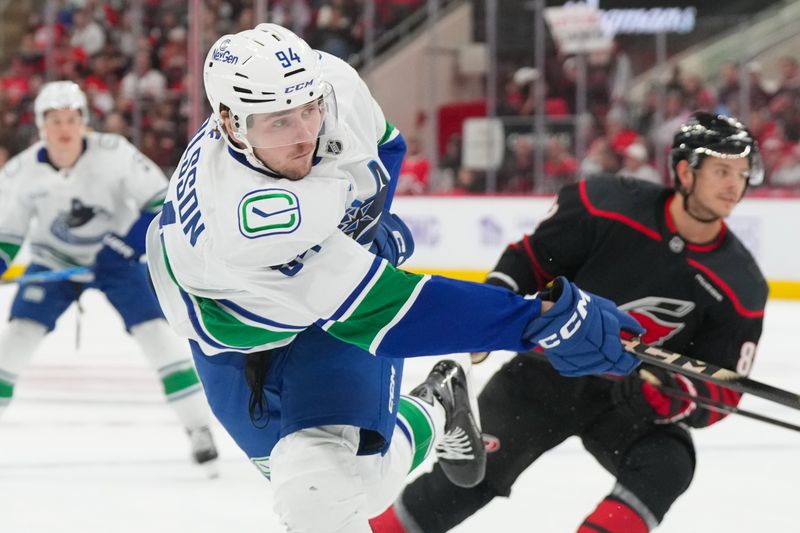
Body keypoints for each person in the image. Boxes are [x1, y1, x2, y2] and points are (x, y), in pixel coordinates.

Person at [144, 23, 643, 533]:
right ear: (230, 124)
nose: (304, 135)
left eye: (308, 110)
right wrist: (534, 321)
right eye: (277, 122)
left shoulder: (332, 83)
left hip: (317, 301)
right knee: (361, 485)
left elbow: (381, 156)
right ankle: (436, 407)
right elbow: (391, 313)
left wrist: (365, 226)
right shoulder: (244, 223)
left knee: (318, 496)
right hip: (234, 330)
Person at [372, 111, 769, 533]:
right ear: (686, 172)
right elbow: (529, 260)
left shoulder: (740, 284)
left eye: (742, 174)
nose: (734, 185)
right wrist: (488, 316)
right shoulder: (607, 204)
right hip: (545, 374)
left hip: (626, 400)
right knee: (465, 482)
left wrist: (669, 395)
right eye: (722, 171)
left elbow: (720, 390)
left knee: (668, 463)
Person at [0, 81, 218, 471]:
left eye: (72, 119)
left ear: (83, 121)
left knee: (157, 338)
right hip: (54, 262)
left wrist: (123, 246)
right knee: (15, 342)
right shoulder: (20, 172)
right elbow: (8, 236)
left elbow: (161, 202)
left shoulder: (115, 153)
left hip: (116, 260)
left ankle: (198, 428)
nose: (65, 129)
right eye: (55, 121)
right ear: (40, 126)